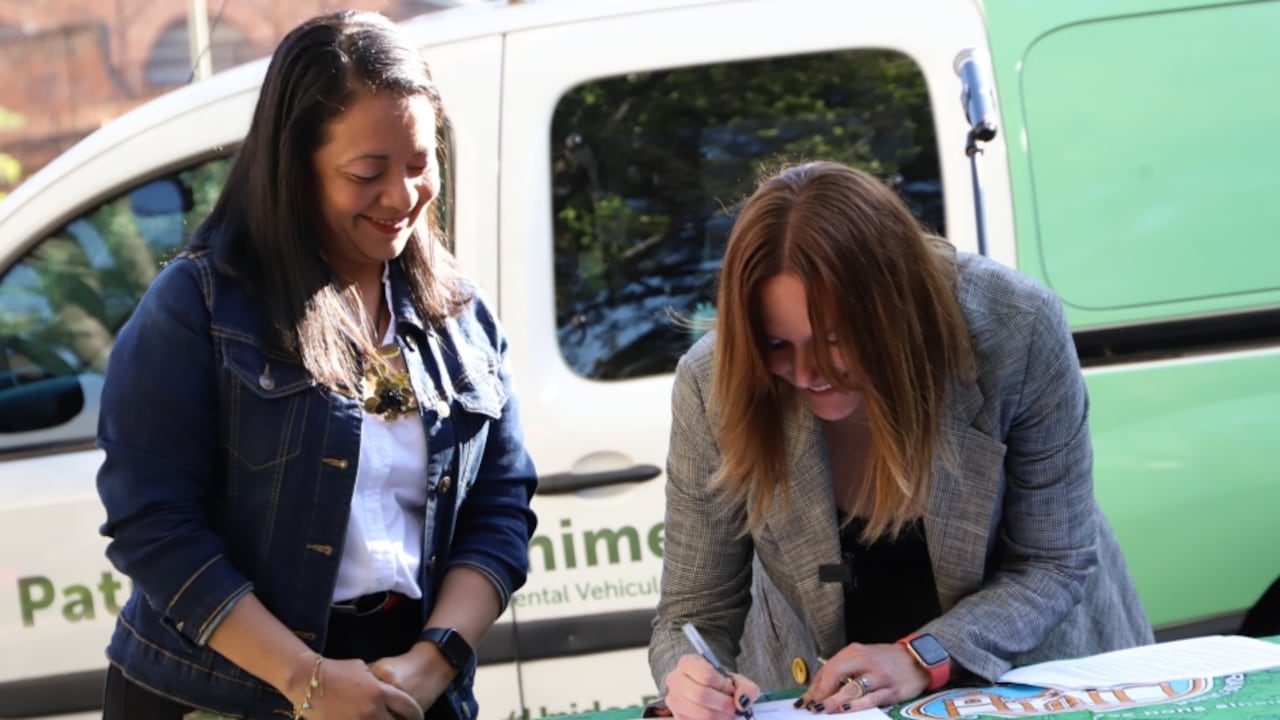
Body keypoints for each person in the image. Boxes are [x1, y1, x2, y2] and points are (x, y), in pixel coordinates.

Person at [95, 10, 537, 719]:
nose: (402, 197)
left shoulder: (458, 312)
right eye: (368, 172)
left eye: (420, 163)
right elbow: (153, 525)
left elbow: (501, 506)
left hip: (407, 687)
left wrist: (432, 662)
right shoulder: (199, 306)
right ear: (294, 167)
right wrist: (308, 680)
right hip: (226, 694)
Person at [648, 160, 1152, 718]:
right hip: (831, 698)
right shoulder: (711, 383)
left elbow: (1052, 561)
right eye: (775, 344)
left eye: (836, 340)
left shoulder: (1017, 328)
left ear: (894, 311)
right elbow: (693, 613)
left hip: (1029, 676)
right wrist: (690, 678)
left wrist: (920, 657)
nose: (809, 371)